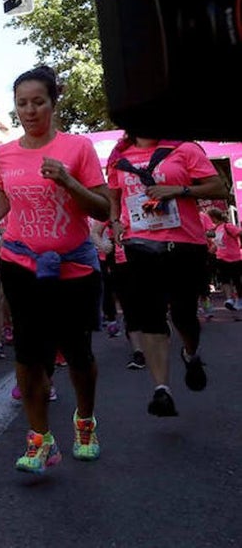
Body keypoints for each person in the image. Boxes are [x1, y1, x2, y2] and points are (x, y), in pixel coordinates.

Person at [0, 66, 111, 474]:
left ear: (54, 103)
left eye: (39, 101)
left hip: (73, 267)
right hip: (21, 264)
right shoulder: (3, 154)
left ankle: (84, 422)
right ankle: (40, 440)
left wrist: (69, 182)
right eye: (22, 103)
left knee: (77, 354)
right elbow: (5, 199)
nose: (30, 110)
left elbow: (103, 208)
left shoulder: (78, 148)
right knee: (28, 355)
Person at [106, 133, 227, 416]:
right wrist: (114, 222)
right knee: (150, 316)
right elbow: (114, 196)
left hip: (184, 244)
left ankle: (190, 354)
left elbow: (218, 188)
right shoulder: (118, 158)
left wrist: (177, 190)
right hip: (140, 245)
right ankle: (162, 390)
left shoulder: (183, 149)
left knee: (184, 314)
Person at [208, 208, 242, 310]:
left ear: (214, 217)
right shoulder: (216, 229)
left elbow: (240, 233)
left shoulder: (228, 226)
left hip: (234, 258)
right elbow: (216, 245)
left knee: (237, 280)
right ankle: (229, 299)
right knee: (224, 280)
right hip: (221, 258)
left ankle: (239, 299)